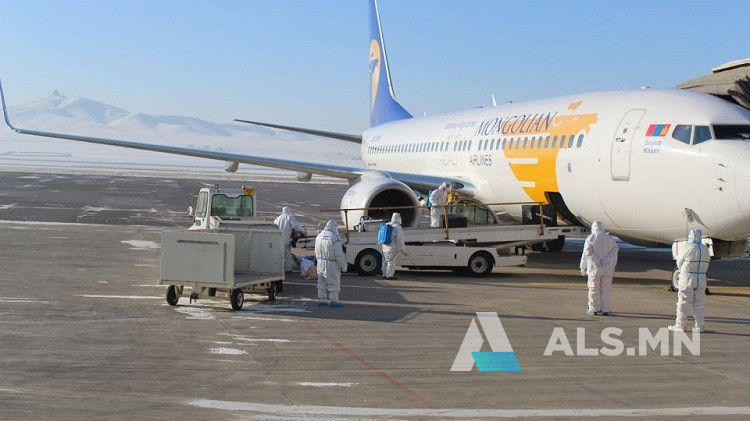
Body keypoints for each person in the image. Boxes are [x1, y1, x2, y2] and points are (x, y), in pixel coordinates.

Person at [669, 228, 710, 332]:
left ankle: (680, 325)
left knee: (683, 302)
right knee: (699, 303)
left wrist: (684, 270)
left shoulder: (687, 247)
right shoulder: (705, 249)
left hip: (687, 278)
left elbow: (679, 262)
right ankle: (699, 326)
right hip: (701, 278)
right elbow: (708, 262)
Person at [580, 221, 619, 316]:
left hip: (594, 269)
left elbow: (587, 253)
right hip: (607, 269)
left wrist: (583, 266)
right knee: (606, 289)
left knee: (593, 288)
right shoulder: (610, 239)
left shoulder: (591, 238)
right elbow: (615, 252)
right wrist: (607, 261)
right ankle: (605, 309)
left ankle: (593, 309)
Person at [315, 219, 347, 307]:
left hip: (320, 262)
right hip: (331, 263)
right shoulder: (334, 237)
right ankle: (334, 300)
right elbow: (339, 254)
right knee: (333, 282)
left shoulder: (319, 235)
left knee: (321, 282)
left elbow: (316, 250)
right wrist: (344, 266)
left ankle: (321, 299)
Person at [274, 206, 305, 272]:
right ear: (289, 211)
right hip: (286, 240)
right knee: (287, 255)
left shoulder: (277, 219)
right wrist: (303, 231)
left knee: (278, 255)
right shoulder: (289, 217)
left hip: (277, 240)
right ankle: (288, 270)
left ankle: (278, 269)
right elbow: (296, 226)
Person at [381, 212, 406, 280]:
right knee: (391, 262)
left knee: (385, 261)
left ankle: (384, 274)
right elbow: (400, 239)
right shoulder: (397, 227)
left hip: (384, 246)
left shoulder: (387, 224)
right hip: (392, 247)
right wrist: (402, 249)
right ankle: (389, 276)